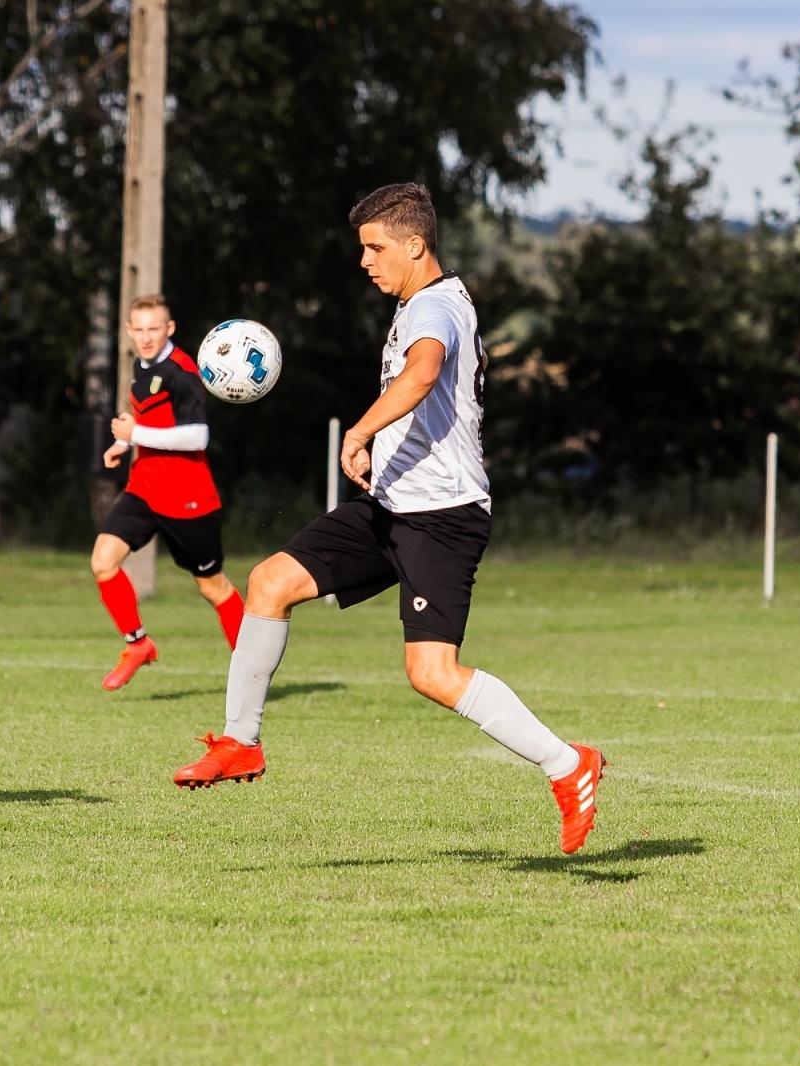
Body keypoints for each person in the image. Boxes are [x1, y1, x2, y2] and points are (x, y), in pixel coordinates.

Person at [170, 183, 606, 855]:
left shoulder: (435, 306)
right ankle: (240, 743)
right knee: (269, 584)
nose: (366, 261)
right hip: (392, 506)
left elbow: (423, 375)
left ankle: (568, 765)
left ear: (415, 244)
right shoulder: (421, 303)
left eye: (376, 248)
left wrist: (359, 432)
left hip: (443, 518)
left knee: (432, 673)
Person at [90, 294, 244, 690]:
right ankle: (138, 645)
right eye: (138, 330)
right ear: (128, 331)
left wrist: (134, 435)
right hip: (144, 488)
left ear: (169, 328)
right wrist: (123, 445)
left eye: (153, 329)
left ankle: (250, 669)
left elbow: (197, 436)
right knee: (103, 563)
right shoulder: (141, 366)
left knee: (213, 587)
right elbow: (148, 417)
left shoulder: (183, 371)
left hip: (188, 497)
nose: (145, 337)